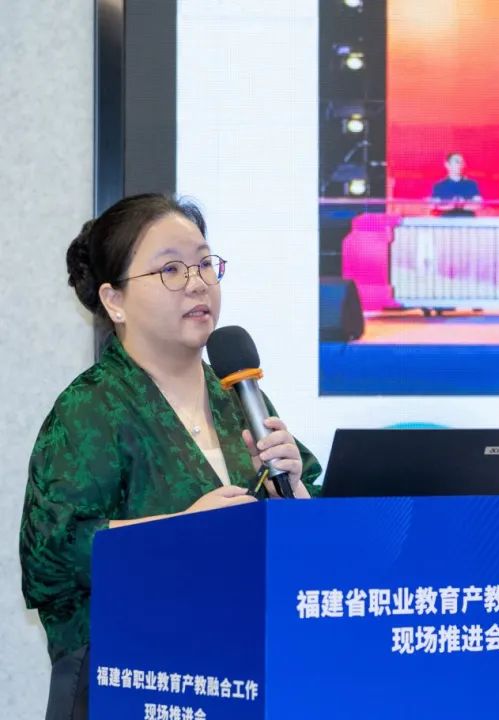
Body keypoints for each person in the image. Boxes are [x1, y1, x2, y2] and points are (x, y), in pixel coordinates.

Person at [20, 194, 321, 720]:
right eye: (171, 270)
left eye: (205, 264)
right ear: (114, 301)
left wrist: (292, 493)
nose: (198, 282)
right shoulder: (91, 407)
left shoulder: (239, 396)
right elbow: (51, 558)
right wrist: (181, 533)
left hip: (239, 676)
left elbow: (311, 529)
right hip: (130, 684)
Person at [431, 152, 482, 217]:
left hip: (467, 220)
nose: (460, 165)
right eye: (457, 162)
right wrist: (452, 204)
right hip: (447, 220)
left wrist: (462, 204)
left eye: (462, 162)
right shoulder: (439, 186)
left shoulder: (471, 184)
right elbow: (434, 206)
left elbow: (478, 205)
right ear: (447, 164)